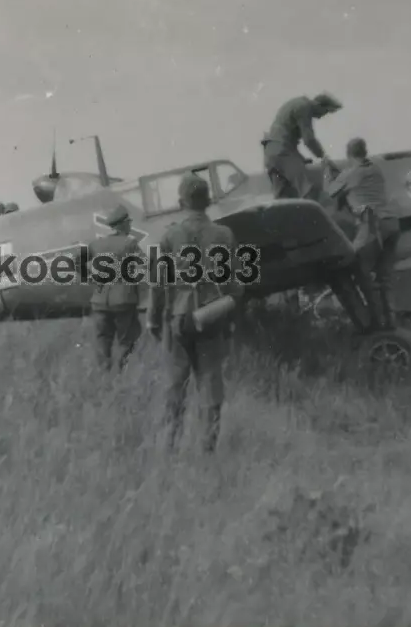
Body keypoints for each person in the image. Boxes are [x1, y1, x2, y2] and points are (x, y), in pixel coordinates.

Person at [146, 174, 241, 453]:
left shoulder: (169, 235)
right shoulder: (224, 235)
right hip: (212, 315)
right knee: (211, 384)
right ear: (209, 201)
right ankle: (207, 450)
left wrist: (153, 319)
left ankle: (168, 446)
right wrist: (227, 316)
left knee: (174, 385)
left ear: (181, 202)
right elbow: (235, 286)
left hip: (178, 318)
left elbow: (158, 285)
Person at [322, 137, 399, 331]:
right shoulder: (375, 169)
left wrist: (326, 171)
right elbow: (357, 185)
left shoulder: (351, 173)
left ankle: (374, 323)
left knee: (359, 269)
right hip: (392, 225)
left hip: (372, 224)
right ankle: (390, 324)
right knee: (385, 279)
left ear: (349, 155)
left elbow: (330, 191)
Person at [87, 204, 143, 372]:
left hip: (99, 300)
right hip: (123, 299)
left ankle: (105, 374)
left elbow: (78, 262)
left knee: (103, 338)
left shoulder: (96, 245)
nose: (130, 225)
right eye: (129, 222)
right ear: (123, 224)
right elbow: (144, 266)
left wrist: (91, 276)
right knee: (128, 339)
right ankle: (122, 372)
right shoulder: (129, 243)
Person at [262, 92, 343, 200]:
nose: (322, 116)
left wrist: (300, 158)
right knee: (308, 191)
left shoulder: (296, 104)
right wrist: (324, 157)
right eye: (326, 111)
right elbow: (309, 139)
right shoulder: (304, 107)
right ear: (319, 105)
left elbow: (285, 136)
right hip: (282, 152)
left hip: (271, 154)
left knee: (283, 197)